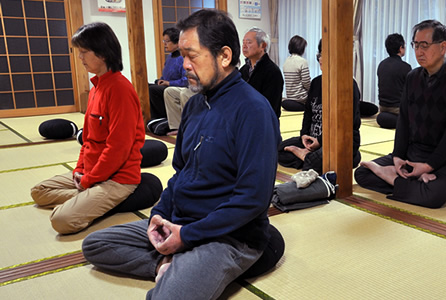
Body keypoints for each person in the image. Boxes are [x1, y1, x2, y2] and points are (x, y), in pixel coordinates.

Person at [81, 10, 281, 299]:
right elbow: (180, 174)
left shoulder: (254, 110)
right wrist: (159, 216)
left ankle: (183, 268)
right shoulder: (196, 105)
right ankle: (171, 265)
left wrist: (186, 237)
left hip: (227, 236)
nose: (184, 65)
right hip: (180, 222)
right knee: (96, 246)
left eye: (192, 55)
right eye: (182, 55)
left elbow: (252, 199)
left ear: (224, 56)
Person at [30, 22, 145, 234]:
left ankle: (96, 202)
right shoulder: (96, 88)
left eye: (83, 52)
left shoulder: (119, 89)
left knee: (61, 219)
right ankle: (91, 202)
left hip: (117, 178)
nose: (80, 57)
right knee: (39, 191)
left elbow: (118, 148)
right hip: (91, 172)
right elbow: (88, 140)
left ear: (102, 53)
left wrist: (90, 180)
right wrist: (79, 170)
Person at [354, 20, 446, 209]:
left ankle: (394, 179)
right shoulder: (413, 77)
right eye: (415, 45)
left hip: (444, 161)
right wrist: (398, 157)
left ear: (443, 47)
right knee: (361, 174)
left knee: (434, 196)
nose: (418, 51)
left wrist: (428, 167)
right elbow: (403, 122)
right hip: (411, 155)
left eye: (424, 45)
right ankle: (411, 182)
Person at [278, 39, 361, 175]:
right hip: (311, 141)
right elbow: (308, 113)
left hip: (336, 142)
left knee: (336, 155)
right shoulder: (316, 83)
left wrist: (320, 141)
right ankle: (309, 159)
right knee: (280, 149)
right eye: (320, 54)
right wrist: (304, 135)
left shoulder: (348, 85)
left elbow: (347, 125)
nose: (321, 58)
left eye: (326, 54)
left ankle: (306, 158)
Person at [240, 27, 284, 118]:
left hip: (264, 123)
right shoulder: (243, 69)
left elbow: (270, 106)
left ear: (263, 46)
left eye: (249, 42)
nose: (244, 46)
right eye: (243, 42)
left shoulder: (273, 72)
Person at [149, 27, 188, 120]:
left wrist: (168, 83)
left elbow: (185, 81)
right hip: (167, 85)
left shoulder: (182, 58)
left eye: (167, 41)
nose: (165, 44)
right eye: (164, 41)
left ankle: (163, 117)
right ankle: (153, 119)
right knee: (147, 86)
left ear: (176, 43)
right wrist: (161, 80)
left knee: (153, 90)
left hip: (177, 88)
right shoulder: (170, 57)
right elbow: (165, 75)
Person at [376, 33, 412, 129]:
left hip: (383, 107)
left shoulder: (381, 64)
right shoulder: (406, 67)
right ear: (401, 48)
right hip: (398, 109)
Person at [282, 35, 311, 111]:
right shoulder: (302, 61)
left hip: (290, 99)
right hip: (302, 99)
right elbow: (306, 83)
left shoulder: (286, 61)